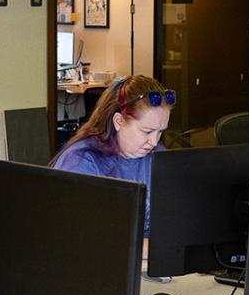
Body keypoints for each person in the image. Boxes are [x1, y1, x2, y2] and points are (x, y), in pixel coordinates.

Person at [50, 74, 175, 238]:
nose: (153, 142)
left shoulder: (157, 156)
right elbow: (85, 237)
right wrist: (153, 249)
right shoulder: (81, 163)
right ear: (119, 122)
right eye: (147, 131)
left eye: (160, 132)